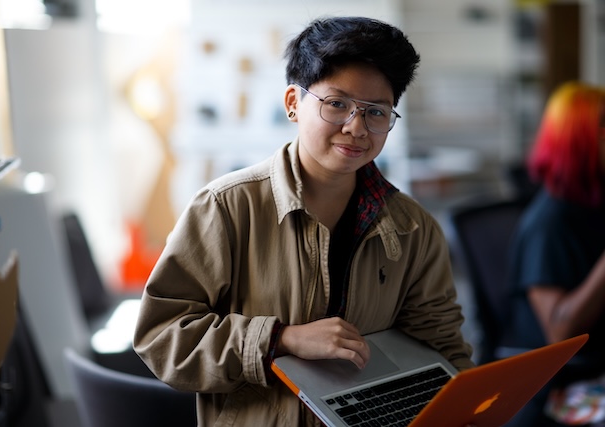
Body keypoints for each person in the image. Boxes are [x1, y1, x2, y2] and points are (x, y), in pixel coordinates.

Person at [133, 16, 474, 427]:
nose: (356, 127)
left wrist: (470, 405)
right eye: (337, 104)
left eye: (376, 112)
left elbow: (440, 346)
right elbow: (162, 336)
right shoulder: (224, 207)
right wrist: (281, 339)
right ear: (294, 103)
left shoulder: (413, 227)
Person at [506, 82, 605, 427]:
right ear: (581, 141)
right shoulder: (550, 222)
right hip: (560, 384)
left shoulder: (594, 205)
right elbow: (560, 332)